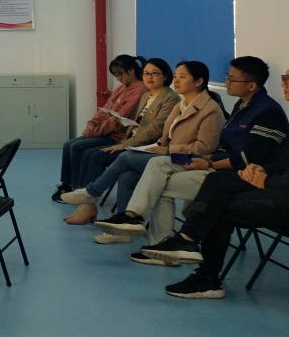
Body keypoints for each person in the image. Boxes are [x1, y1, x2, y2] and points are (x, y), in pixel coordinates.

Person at [97, 56, 288, 258]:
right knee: (157, 164)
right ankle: (134, 217)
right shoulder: (236, 105)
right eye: (227, 77)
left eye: (232, 79)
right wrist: (169, 150)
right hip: (199, 160)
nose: (227, 82)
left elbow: (235, 155)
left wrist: (199, 160)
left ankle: (147, 233)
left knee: (138, 166)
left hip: (216, 166)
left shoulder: (247, 110)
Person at [142, 68, 289, 299]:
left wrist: (267, 180)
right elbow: (282, 161)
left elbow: (242, 153)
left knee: (218, 204)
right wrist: (262, 170)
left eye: (288, 80)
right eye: (284, 79)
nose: (284, 85)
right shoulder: (242, 106)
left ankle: (202, 270)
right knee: (213, 180)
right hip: (267, 184)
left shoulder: (264, 111)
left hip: (278, 193)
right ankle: (184, 240)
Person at [57, 57, 178, 225]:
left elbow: (154, 130)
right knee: (82, 149)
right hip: (132, 141)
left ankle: (89, 198)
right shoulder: (147, 95)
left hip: (145, 147)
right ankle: (91, 202)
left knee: (96, 155)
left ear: (165, 76)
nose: (149, 77)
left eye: (155, 74)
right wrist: (95, 123)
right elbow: (130, 121)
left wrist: (124, 144)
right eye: (146, 73)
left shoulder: (170, 98)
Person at [51, 55, 147, 202]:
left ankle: (81, 190)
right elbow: (105, 110)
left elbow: (119, 119)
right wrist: (91, 123)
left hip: (117, 136)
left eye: (120, 74)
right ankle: (68, 184)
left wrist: (94, 132)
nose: (118, 78)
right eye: (115, 75)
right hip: (104, 132)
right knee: (68, 144)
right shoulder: (121, 88)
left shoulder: (139, 90)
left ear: (131, 71)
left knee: (78, 147)